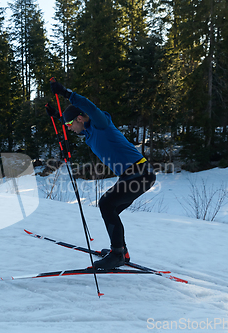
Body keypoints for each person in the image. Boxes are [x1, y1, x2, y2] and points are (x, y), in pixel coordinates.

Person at [47, 80, 156, 269]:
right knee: (111, 210)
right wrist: (58, 116)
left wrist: (66, 92)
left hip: (140, 173)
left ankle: (117, 255)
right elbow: (75, 124)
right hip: (131, 176)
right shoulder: (88, 133)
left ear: (81, 118)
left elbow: (89, 106)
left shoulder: (101, 123)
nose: (69, 128)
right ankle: (121, 251)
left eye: (70, 124)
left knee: (106, 204)